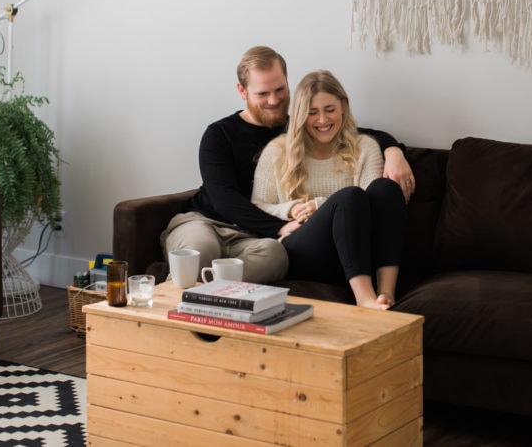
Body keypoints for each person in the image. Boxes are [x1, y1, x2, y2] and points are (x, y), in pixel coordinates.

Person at [160, 46, 416, 285]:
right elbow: (223, 198)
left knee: (275, 256)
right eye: (262, 93)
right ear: (242, 91)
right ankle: (165, 311)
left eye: (280, 90)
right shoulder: (219, 134)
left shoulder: (300, 127)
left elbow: (352, 132)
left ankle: (211, 294)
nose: (273, 100)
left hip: (251, 239)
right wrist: (280, 226)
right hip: (206, 222)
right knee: (202, 250)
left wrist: (393, 150)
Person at [251, 70, 408, 309]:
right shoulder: (277, 151)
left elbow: (369, 209)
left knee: (384, 188)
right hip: (301, 249)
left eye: (330, 110)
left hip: (353, 250)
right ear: (300, 116)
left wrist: (318, 205)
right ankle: (364, 299)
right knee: (350, 196)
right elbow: (257, 207)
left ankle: (386, 293)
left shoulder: (366, 147)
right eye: (312, 113)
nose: (322, 120)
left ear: (343, 106)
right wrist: (291, 209)